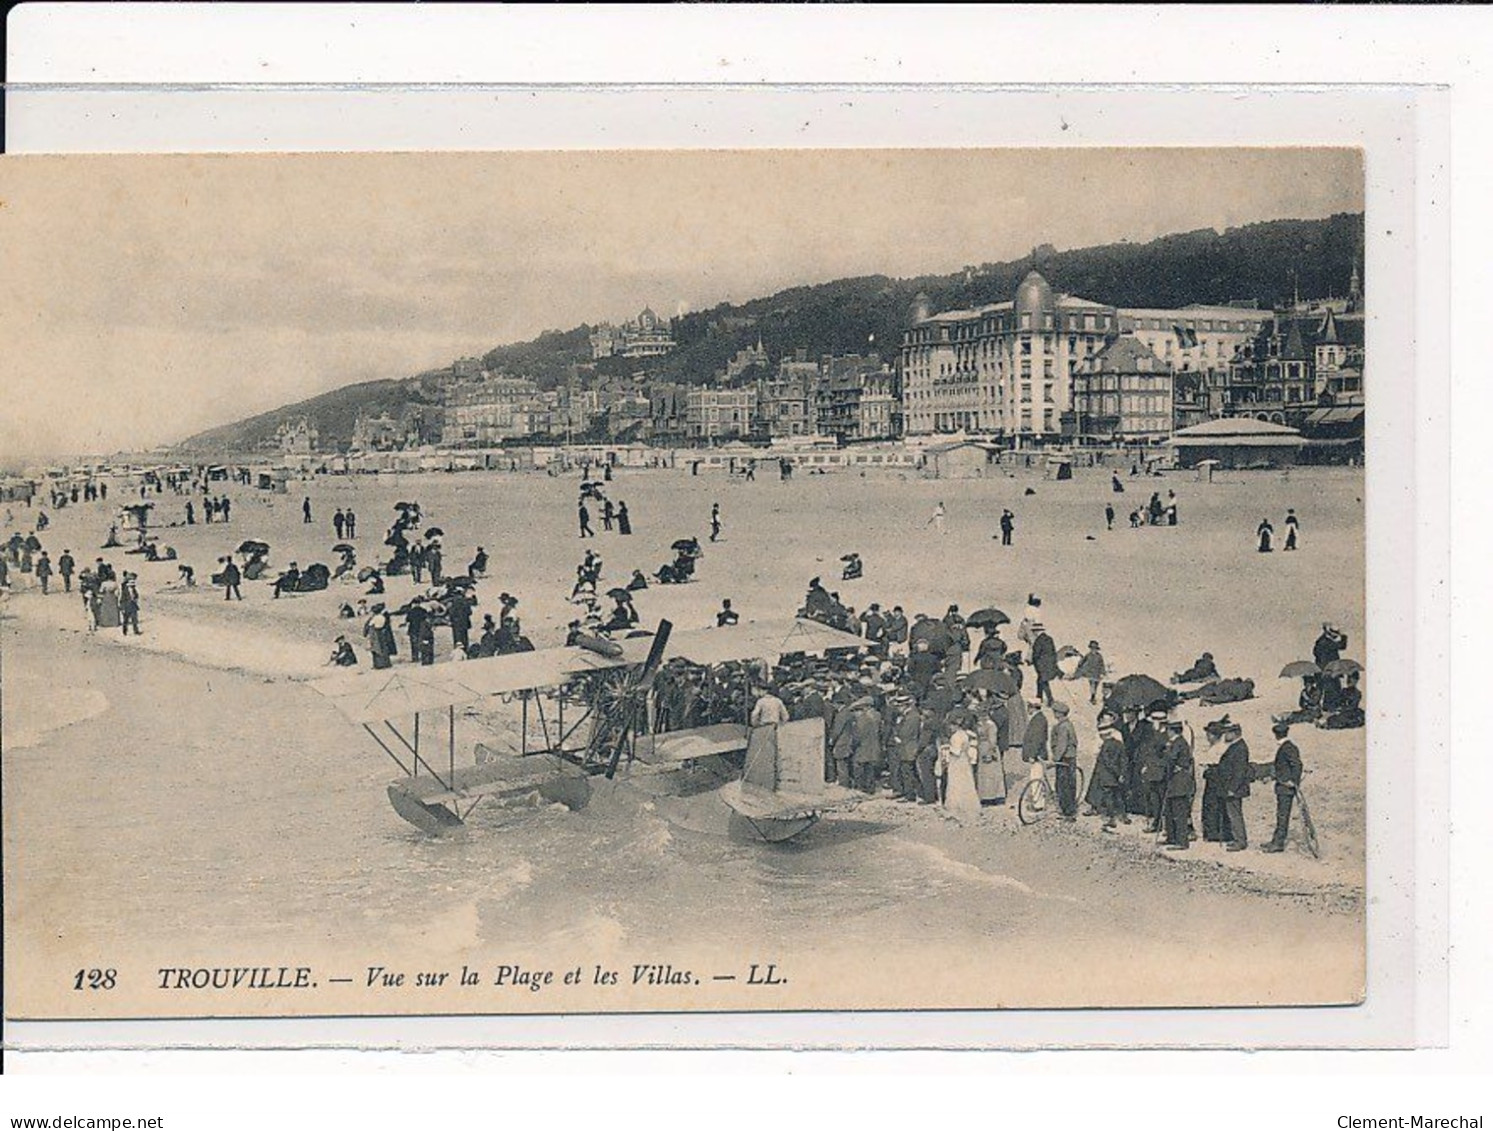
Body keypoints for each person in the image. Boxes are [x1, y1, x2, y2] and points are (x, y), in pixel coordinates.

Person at [1262, 722, 1303, 852]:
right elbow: (1283, 768)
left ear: (1276, 735)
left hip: (1286, 787)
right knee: (1281, 814)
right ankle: (1275, 840)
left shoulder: (1287, 747)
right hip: (1282, 785)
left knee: (1282, 815)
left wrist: (1293, 781)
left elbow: (1297, 765)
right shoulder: (1287, 746)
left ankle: (1278, 843)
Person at [1215, 719, 1252, 851]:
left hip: (1234, 788)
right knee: (1232, 813)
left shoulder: (1240, 748)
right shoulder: (1235, 746)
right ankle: (1237, 839)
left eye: (1227, 733)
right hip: (1231, 787)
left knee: (1235, 814)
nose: (1225, 736)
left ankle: (1240, 841)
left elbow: (1240, 771)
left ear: (1234, 733)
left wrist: (1232, 788)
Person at [1162, 719, 1196, 850]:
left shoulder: (1178, 743)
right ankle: (1171, 837)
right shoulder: (1177, 742)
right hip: (1175, 781)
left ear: (1172, 731)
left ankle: (1182, 841)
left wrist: (1166, 754)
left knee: (1179, 811)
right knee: (1170, 811)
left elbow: (1171, 759)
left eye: (1168, 730)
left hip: (1179, 781)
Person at [1137, 704, 1172, 833]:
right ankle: (1156, 823)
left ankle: (1167, 827)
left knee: (1164, 800)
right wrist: (1145, 765)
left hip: (1161, 772)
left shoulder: (1166, 735)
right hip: (1151, 771)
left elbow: (1164, 754)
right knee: (1154, 799)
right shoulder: (1152, 734)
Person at [1093, 714, 1127, 831]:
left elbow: (1108, 763)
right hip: (1117, 777)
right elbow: (1124, 760)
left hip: (1107, 777)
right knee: (1118, 796)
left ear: (1103, 735)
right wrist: (1122, 774)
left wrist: (1116, 773)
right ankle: (1124, 815)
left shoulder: (1105, 747)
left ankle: (1112, 818)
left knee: (1109, 797)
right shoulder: (1119, 744)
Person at [1049, 701, 1078, 818]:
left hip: (1064, 759)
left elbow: (1062, 745)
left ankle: (1068, 811)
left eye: (1055, 712)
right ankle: (1069, 809)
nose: (1054, 714)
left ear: (1060, 714)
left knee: (1063, 785)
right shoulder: (1068, 724)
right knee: (1069, 784)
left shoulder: (1062, 727)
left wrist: (1055, 759)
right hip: (1070, 758)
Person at [1029, 622, 1060, 707]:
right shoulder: (1049, 639)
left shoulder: (1039, 640)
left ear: (1037, 631)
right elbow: (1053, 652)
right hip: (1049, 664)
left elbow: (1036, 653)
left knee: (1043, 681)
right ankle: (1039, 697)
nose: (1034, 633)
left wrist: (1032, 661)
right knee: (1040, 680)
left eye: (1034, 631)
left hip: (1042, 665)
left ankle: (1050, 699)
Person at [364, 604, 397, 669]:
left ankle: (379, 664)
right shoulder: (382, 617)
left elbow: (369, 625)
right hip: (382, 634)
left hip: (376, 634)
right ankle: (386, 663)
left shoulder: (375, 618)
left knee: (377, 649)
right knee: (383, 648)